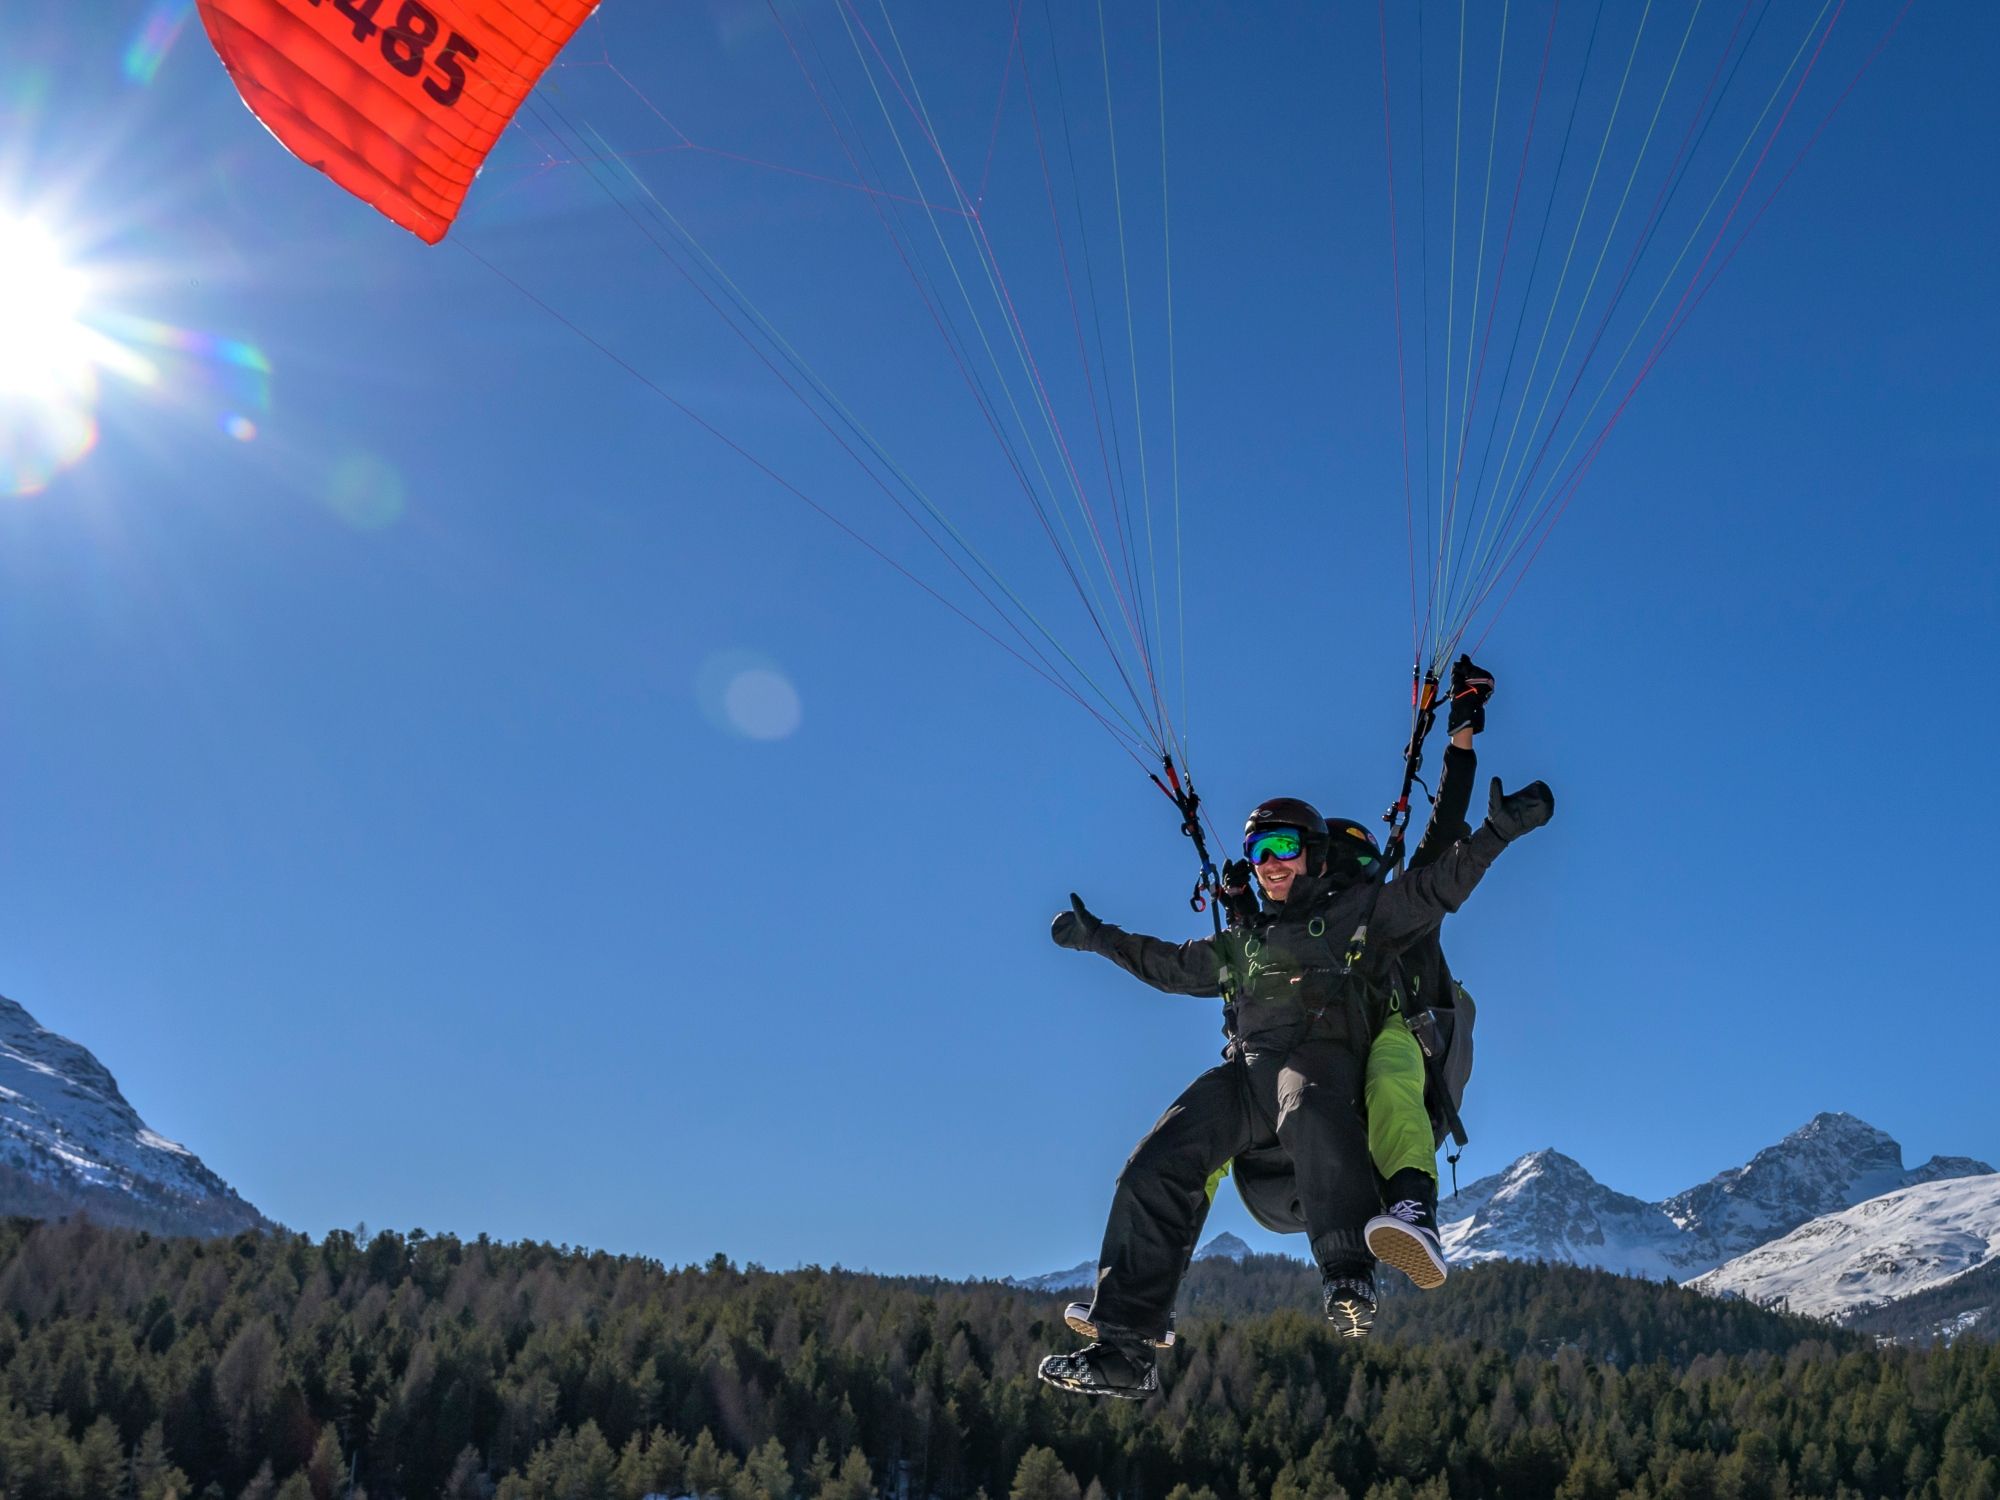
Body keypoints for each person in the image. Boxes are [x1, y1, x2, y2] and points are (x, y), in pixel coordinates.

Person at [1036, 766, 1552, 1398]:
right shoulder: (1243, 942)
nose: (1269, 863)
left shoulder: (1355, 916)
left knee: (1305, 1103)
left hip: (1319, 1060)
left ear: (1310, 855)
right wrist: (1098, 939)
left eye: (1283, 848)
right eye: (1258, 852)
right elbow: (1168, 965)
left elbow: (1435, 888)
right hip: (1245, 1075)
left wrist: (1497, 834)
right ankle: (1124, 1347)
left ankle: (1348, 1273)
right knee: (1156, 1160)